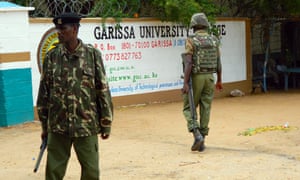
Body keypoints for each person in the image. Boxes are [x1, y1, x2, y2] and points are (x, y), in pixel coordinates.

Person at [36, 12, 113, 180]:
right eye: (58, 28)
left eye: (63, 28)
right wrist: (44, 126)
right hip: (58, 126)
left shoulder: (92, 55)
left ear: (75, 29)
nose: (59, 32)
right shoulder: (52, 57)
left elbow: (102, 90)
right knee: (53, 173)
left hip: (86, 126)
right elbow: (44, 94)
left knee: (91, 172)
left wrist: (106, 123)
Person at [182, 13, 222, 152]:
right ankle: (202, 140)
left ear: (194, 25)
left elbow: (188, 62)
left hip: (196, 77)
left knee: (189, 107)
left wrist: (186, 83)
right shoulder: (214, 40)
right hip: (210, 77)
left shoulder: (191, 40)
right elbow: (218, 62)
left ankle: (197, 135)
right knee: (206, 107)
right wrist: (220, 80)